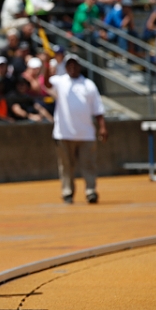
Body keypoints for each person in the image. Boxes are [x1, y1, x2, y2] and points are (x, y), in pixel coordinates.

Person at [44, 54, 107, 204]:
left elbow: (98, 109)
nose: (72, 68)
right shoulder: (60, 82)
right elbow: (46, 84)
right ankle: (67, 192)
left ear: (79, 66)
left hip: (86, 134)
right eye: (69, 65)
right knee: (66, 166)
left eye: (75, 65)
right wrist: (46, 66)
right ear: (66, 67)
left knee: (89, 164)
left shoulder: (89, 85)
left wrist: (102, 127)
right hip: (64, 133)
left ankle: (90, 191)